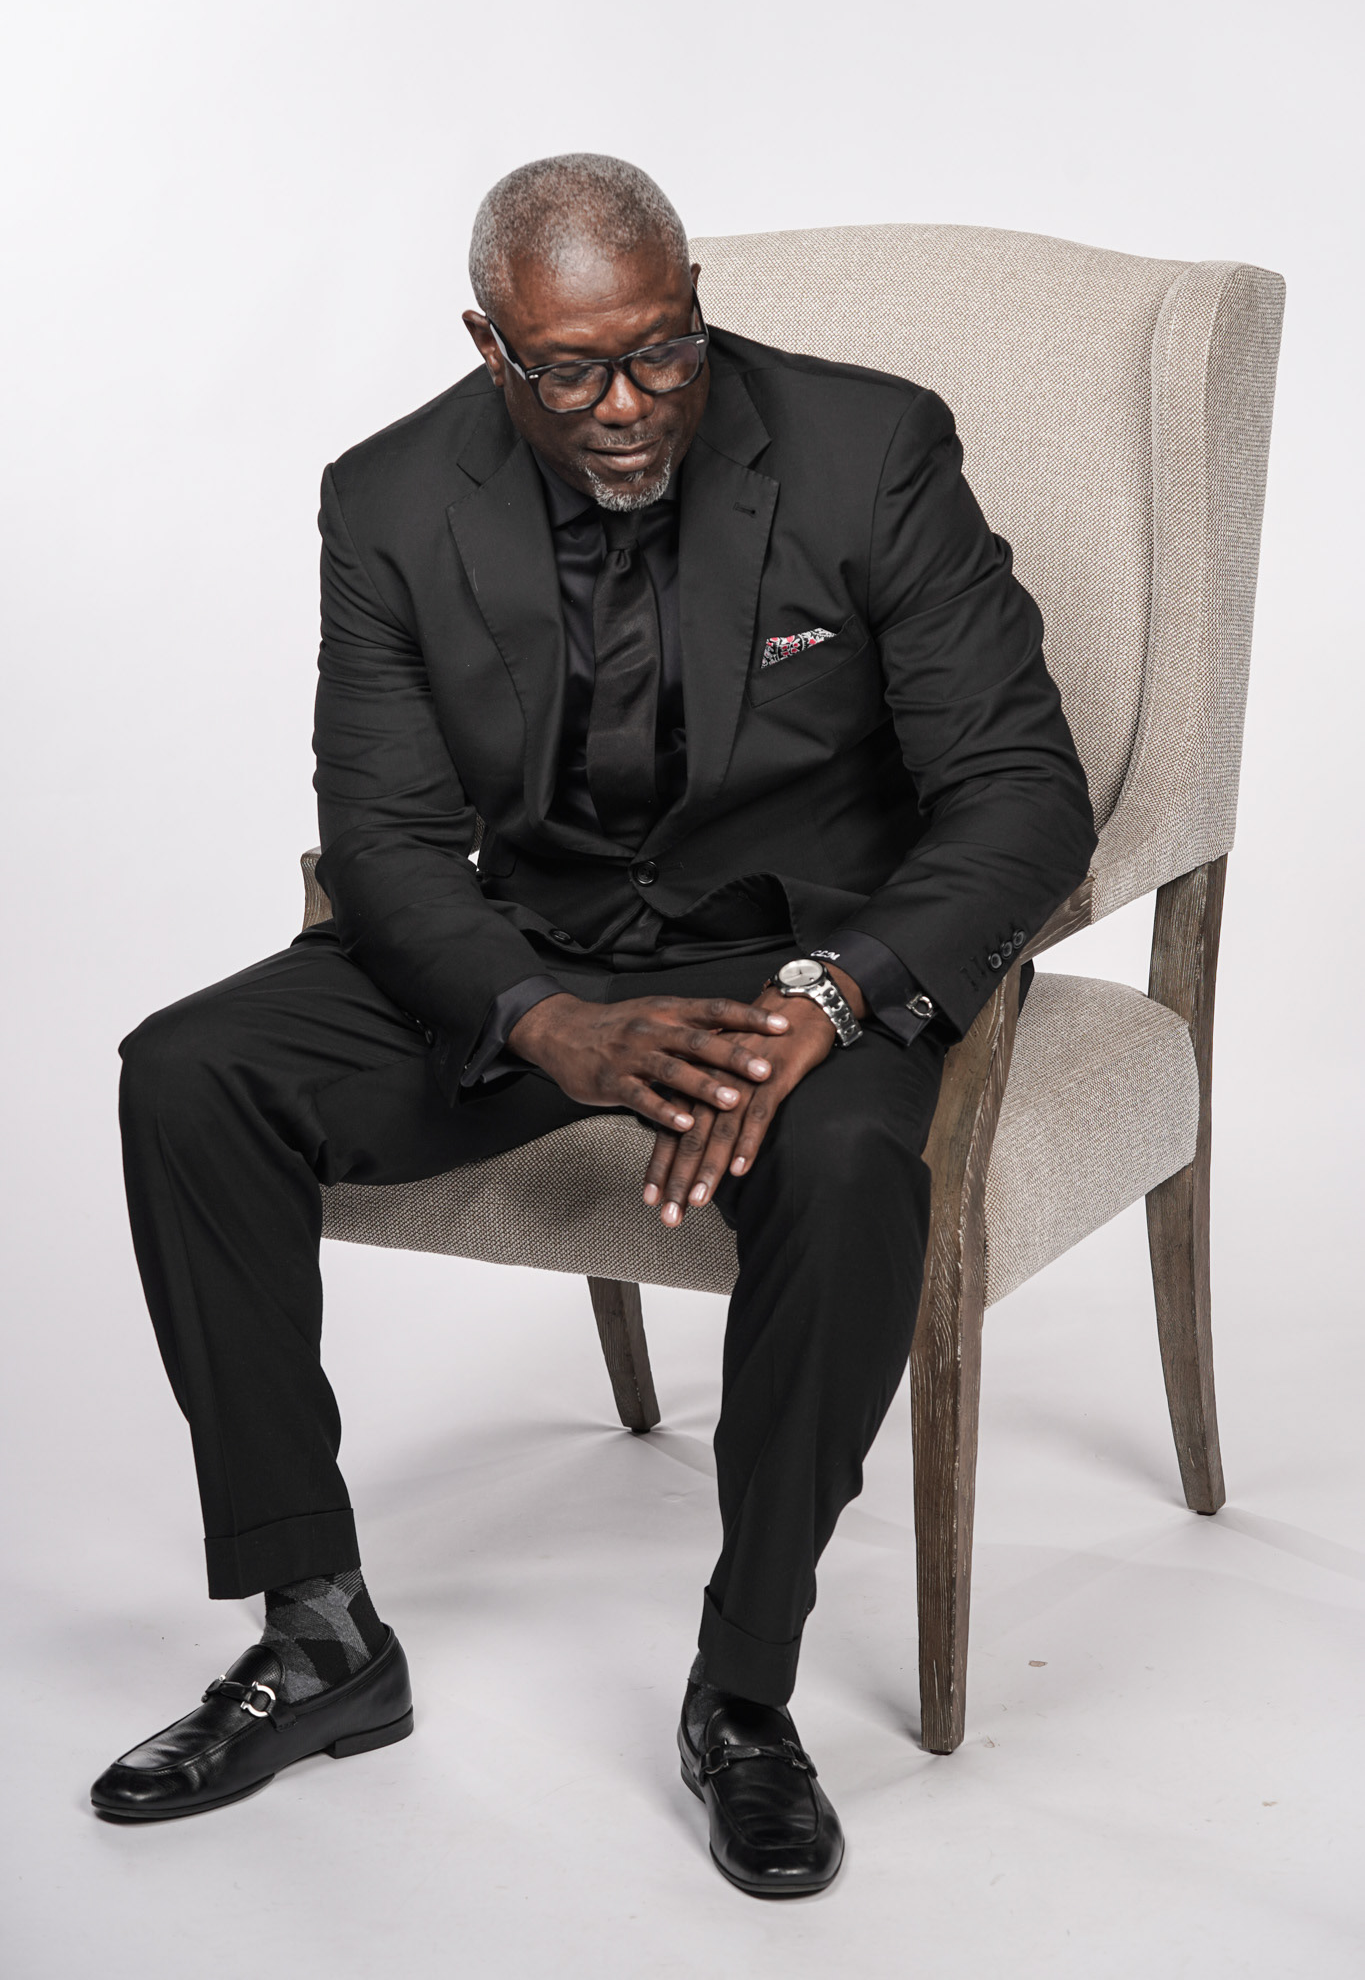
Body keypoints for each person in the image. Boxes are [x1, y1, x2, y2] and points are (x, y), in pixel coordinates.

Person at [91, 153, 1096, 1896]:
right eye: (569, 371)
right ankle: (319, 1637)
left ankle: (745, 1694)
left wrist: (832, 995)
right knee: (188, 1075)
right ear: (489, 345)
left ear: (694, 303)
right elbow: (386, 841)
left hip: (799, 963)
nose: (627, 404)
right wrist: (542, 1020)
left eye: (660, 350)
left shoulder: (867, 447)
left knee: (851, 1175)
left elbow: (1021, 790)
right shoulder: (389, 499)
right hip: (535, 952)